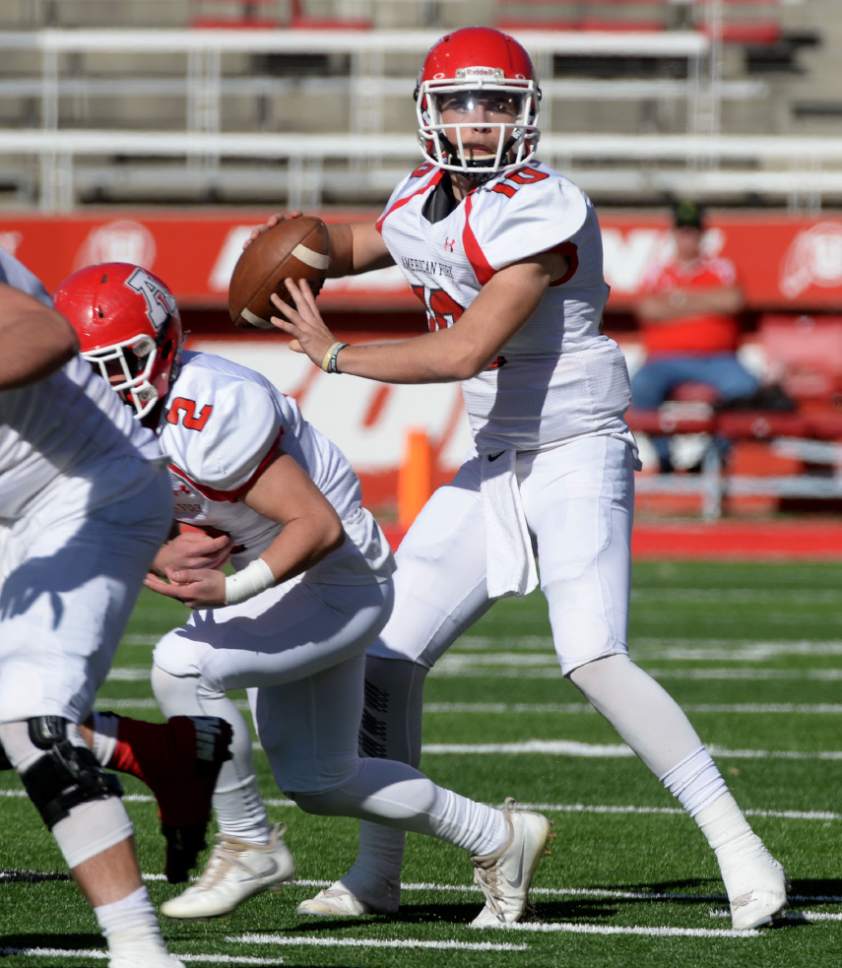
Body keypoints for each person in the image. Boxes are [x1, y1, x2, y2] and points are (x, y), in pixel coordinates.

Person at [266, 26, 787, 930]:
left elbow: (468, 346)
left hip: (577, 449)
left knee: (592, 656)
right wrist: (297, 248)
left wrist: (338, 353)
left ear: (528, 114)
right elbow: (367, 240)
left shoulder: (543, 207)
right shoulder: (420, 195)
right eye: (462, 104)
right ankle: (379, 869)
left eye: (499, 103)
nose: (479, 123)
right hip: (497, 459)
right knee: (384, 657)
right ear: (428, 112)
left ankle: (742, 851)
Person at [55, 260, 550, 927]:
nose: (112, 387)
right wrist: (160, 554)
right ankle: (497, 836)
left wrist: (230, 587)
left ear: (166, 343)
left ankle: (247, 841)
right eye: (94, 370)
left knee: (181, 662)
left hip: (335, 579)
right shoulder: (87, 427)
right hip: (274, 582)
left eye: (126, 362)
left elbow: (315, 527)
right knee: (322, 781)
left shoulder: (212, 405)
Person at [0, 251, 193, 968]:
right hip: (10, 508)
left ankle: (140, 949)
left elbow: (44, 333)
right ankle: (164, 754)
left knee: (32, 719)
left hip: (83, 489)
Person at [631, 199, 760, 473]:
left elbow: (732, 301)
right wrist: (705, 304)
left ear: (703, 235)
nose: (687, 238)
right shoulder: (658, 270)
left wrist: (676, 302)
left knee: (745, 388)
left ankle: (711, 460)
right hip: (664, 360)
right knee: (639, 387)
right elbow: (647, 309)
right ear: (675, 234)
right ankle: (665, 460)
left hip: (717, 359)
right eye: (682, 231)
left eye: (693, 231)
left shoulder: (721, 267)